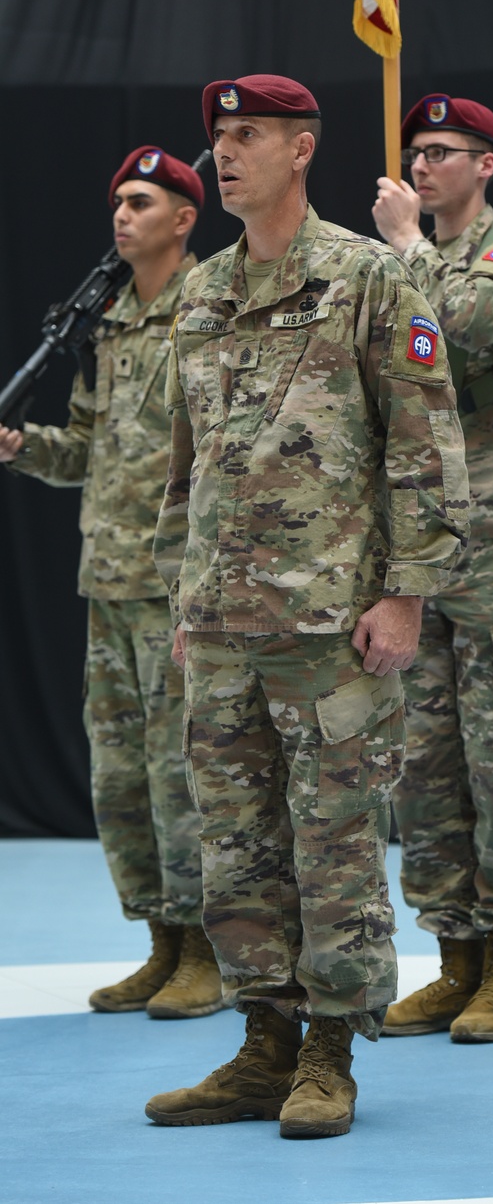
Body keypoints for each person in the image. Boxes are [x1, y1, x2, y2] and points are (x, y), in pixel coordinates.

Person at [144, 75, 469, 1138]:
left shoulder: (367, 279)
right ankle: (263, 1043)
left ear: (302, 149)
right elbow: (187, 466)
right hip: (224, 620)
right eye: (220, 137)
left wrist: (407, 593)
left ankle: (331, 1050)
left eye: (248, 136)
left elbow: (424, 445)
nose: (225, 153)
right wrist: (184, 596)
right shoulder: (200, 295)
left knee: (332, 844)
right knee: (234, 847)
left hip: (333, 622)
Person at [0, 147, 220, 1020]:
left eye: (141, 201)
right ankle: (161, 944)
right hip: (111, 582)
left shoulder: (207, 310)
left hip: (178, 588)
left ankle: (206, 948)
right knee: (121, 777)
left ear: (184, 218)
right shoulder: (110, 323)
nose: (122, 215)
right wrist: (27, 451)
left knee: (184, 776)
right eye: (117, 203)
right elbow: (90, 448)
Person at [372, 93, 493, 1043]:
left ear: (486, 164)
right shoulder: (384, 266)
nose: (422, 167)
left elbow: (459, 332)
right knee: (425, 768)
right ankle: (452, 960)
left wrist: (407, 246)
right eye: (415, 152)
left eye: (442, 152)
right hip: (413, 549)